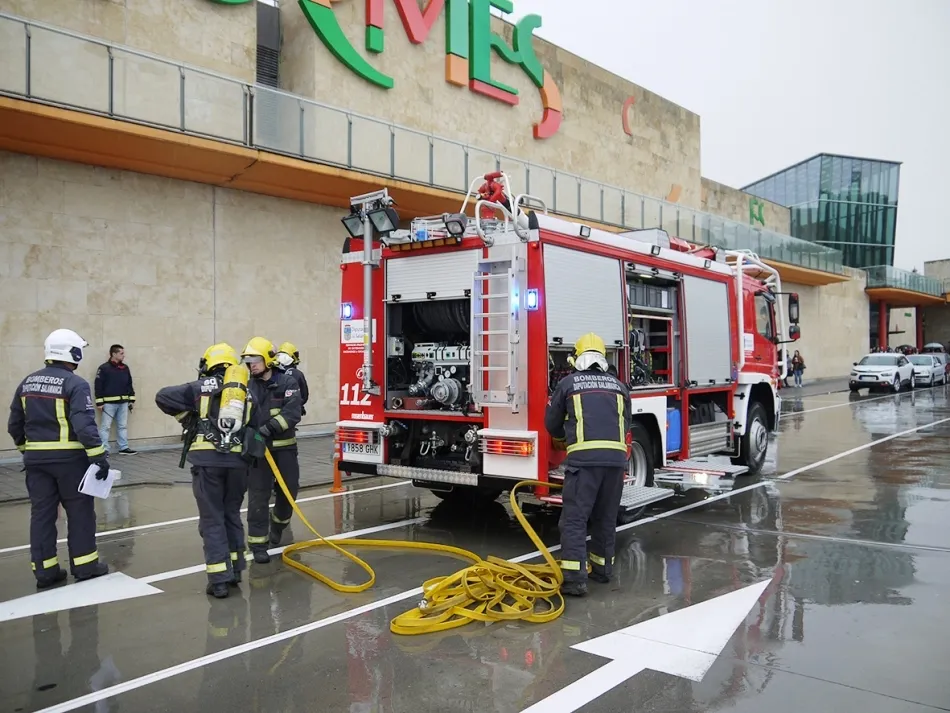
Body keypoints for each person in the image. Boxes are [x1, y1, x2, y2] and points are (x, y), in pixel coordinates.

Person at [7, 328, 111, 588]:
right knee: (79, 512)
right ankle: (85, 566)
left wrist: (26, 450)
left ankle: (45, 572)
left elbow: (14, 424)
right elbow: (83, 424)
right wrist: (98, 456)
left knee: (42, 515)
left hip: (35, 462)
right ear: (72, 353)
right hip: (69, 461)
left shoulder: (27, 383)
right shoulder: (75, 384)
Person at [154, 343, 251, 599]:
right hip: (238, 464)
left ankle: (219, 581)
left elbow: (162, 397)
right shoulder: (245, 391)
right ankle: (235, 571)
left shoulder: (200, 388)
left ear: (208, 364)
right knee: (231, 514)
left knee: (212, 519)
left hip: (208, 463)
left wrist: (189, 415)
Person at [544, 332, 631, 597]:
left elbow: (552, 423)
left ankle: (574, 580)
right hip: (616, 462)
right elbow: (625, 422)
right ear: (603, 358)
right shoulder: (619, 386)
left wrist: (564, 437)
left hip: (584, 463)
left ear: (577, 358)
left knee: (575, 520)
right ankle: (602, 570)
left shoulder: (569, 384)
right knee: (605, 517)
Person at [241, 337, 303, 563]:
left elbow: (292, 413)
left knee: (289, 492)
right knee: (258, 497)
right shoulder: (248, 386)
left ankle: (278, 525)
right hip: (259, 452)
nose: (251, 366)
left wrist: (269, 428)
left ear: (268, 360)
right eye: (248, 362)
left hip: (285, 450)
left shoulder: (288, 383)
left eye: (255, 361)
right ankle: (258, 545)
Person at [94, 344, 137, 455]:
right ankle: (104, 449)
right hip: (109, 404)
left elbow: (129, 384)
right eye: (121, 353)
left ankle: (124, 448)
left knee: (123, 426)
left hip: (123, 403)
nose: (124, 355)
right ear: (114, 354)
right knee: (105, 427)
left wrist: (131, 399)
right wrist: (99, 402)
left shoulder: (125, 368)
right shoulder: (104, 368)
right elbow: (98, 385)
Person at [275, 342, 309, 417]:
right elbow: (304, 395)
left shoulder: (272, 373)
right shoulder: (297, 374)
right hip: (290, 414)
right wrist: (299, 405)